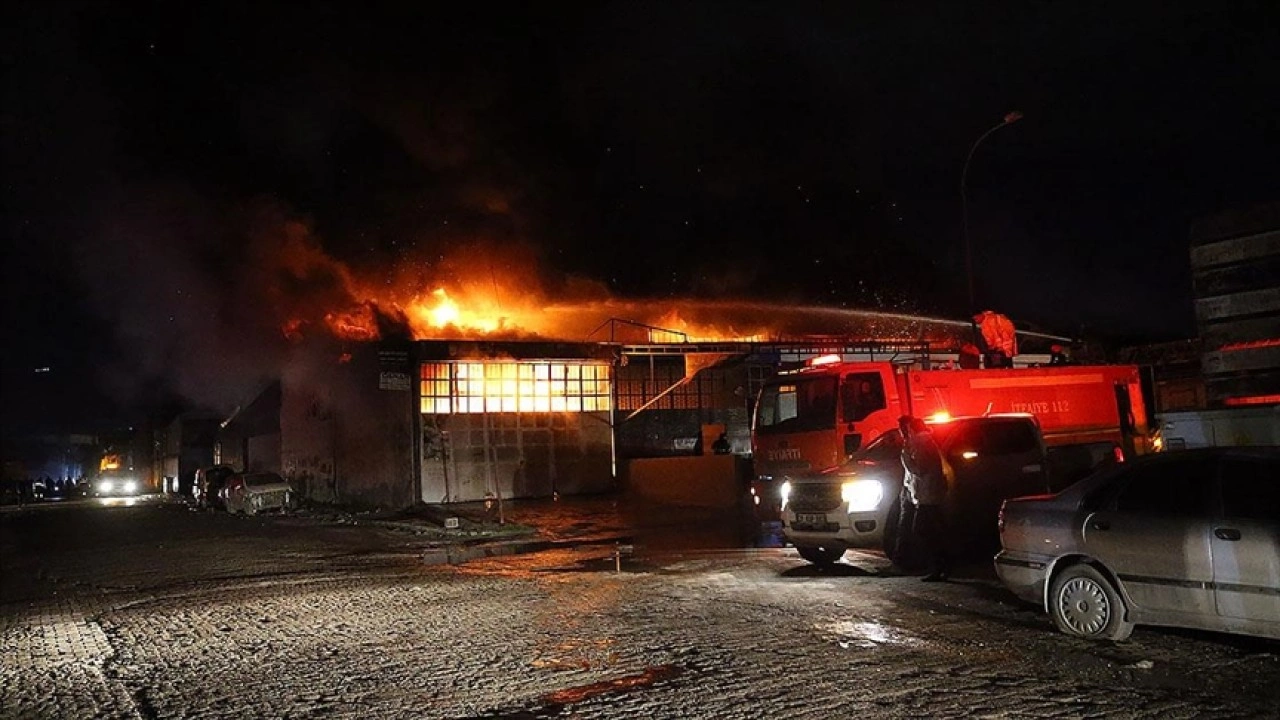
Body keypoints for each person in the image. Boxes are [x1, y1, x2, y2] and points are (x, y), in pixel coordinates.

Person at [900, 415, 951, 581]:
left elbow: (920, 469)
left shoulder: (922, 444)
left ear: (913, 429)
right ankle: (942, 565)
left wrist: (906, 459)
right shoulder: (928, 442)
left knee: (922, 529)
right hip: (930, 493)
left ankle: (938, 565)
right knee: (936, 529)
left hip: (927, 495)